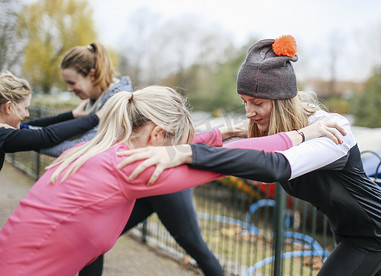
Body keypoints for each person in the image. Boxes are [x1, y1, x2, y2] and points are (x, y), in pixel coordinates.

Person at [117, 35, 381, 276]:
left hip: (375, 230)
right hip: (348, 229)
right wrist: (194, 146)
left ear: (281, 102)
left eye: (258, 103)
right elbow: (241, 154)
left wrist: (190, 154)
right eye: (244, 103)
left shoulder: (330, 129)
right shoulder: (270, 131)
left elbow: (277, 166)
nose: (249, 112)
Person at [0, 85, 340, 275]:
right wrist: (300, 136)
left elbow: (187, 150)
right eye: (173, 145)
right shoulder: (132, 168)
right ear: (158, 134)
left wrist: (223, 131)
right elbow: (224, 164)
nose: (176, 153)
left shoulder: (100, 151)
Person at [53, 42, 225, 276]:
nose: (70, 89)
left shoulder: (114, 102)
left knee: (194, 246)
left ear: (91, 75)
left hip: (161, 180)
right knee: (92, 238)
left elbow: (88, 146)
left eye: (72, 83)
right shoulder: (92, 104)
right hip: (135, 180)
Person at [0, 72, 100, 172]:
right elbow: (46, 136)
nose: (27, 114)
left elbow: (31, 126)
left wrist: (73, 114)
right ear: (8, 107)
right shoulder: (2, 134)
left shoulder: (4, 130)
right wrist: (97, 117)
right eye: (25, 108)